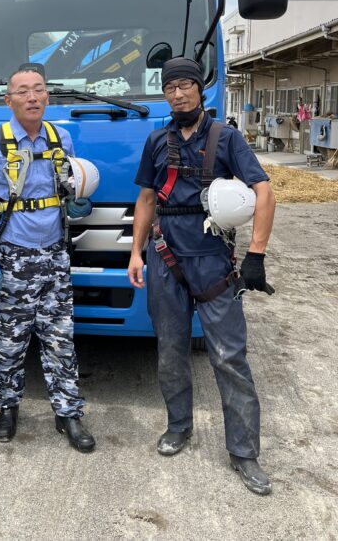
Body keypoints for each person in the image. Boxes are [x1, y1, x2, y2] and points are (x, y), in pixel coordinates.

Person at [127, 57, 276, 496]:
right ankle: (178, 426)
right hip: (164, 257)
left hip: (213, 262)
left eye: (186, 85)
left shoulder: (227, 138)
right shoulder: (156, 141)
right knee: (170, 350)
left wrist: (256, 255)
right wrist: (135, 252)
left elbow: (264, 192)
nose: (178, 93)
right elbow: (147, 198)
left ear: (200, 88)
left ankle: (245, 453)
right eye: (170, 87)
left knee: (230, 358)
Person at [0, 63, 95, 452]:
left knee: (60, 339)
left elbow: (70, 188)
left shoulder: (61, 139)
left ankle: (68, 413)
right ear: (8, 100)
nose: (32, 97)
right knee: (9, 340)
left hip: (55, 256)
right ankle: (7, 408)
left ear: (48, 96)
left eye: (38, 89)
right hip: (12, 257)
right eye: (23, 91)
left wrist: (77, 202)